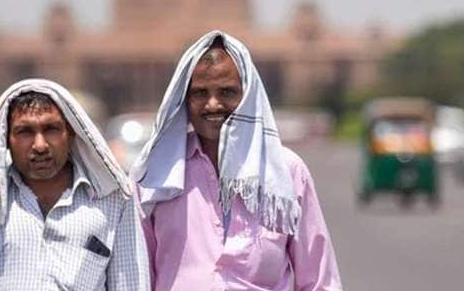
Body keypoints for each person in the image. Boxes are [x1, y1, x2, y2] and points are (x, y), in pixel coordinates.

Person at [130, 31, 342, 291]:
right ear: (183, 100)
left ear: (248, 96)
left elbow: (319, 281)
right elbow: (137, 277)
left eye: (227, 92)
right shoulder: (155, 176)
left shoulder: (287, 172)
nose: (213, 104)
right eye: (199, 93)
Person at [0, 79, 150, 290]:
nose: (40, 145)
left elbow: (130, 283)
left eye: (51, 129)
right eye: (25, 131)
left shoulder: (113, 200)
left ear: (71, 132)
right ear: (6, 138)